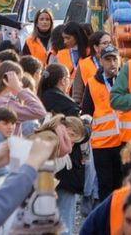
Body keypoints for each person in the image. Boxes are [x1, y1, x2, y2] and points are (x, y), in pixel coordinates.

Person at [38, 64, 86, 232]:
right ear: (62, 80)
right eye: (68, 79)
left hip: (41, 164)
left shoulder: (38, 99)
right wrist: (86, 126)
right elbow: (78, 134)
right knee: (64, 219)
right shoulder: (67, 105)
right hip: (66, 166)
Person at [79, 43, 126, 196]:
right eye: (108, 59)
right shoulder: (92, 84)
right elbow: (87, 113)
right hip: (102, 145)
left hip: (124, 142)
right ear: (101, 61)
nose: (112, 63)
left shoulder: (127, 81)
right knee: (105, 187)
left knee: (123, 186)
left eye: (115, 59)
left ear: (119, 60)